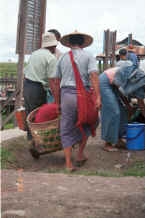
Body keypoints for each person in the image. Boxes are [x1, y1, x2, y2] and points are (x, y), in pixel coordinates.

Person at [55, 31, 101, 171]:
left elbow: (56, 80)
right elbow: (93, 75)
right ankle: (80, 154)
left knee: (67, 127)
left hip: (66, 96)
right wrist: (98, 96)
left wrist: (58, 102)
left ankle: (68, 163)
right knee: (91, 121)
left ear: (69, 43)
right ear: (82, 43)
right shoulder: (88, 56)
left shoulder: (62, 58)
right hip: (84, 96)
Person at [99, 64, 145, 152]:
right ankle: (107, 143)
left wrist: (127, 105)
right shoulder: (141, 80)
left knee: (124, 112)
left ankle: (118, 140)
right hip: (106, 80)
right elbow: (141, 105)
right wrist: (127, 103)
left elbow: (138, 101)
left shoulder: (141, 86)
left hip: (115, 85)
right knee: (114, 112)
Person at [23, 32, 58, 143]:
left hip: (27, 85)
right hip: (37, 89)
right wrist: (57, 101)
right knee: (38, 117)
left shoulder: (35, 54)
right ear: (53, 46)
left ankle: (31, 140)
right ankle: (38, 142)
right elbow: (52, 82)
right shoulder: (51, 58)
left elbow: (26, 72)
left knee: (29, 115)